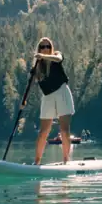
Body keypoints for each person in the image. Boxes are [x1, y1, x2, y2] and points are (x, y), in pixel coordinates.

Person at [32, 37, 75, 165]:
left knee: (64, 129)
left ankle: (66, 160)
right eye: (43, 47)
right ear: (39, 49)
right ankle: (37, 162)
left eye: (48, 47)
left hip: (62, 92)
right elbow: (31, 83)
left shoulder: (56, 56)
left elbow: (59, 59)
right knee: (43, 131)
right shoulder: (37, 67)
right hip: (48, 97)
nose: (46, 49)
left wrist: (44, 57)